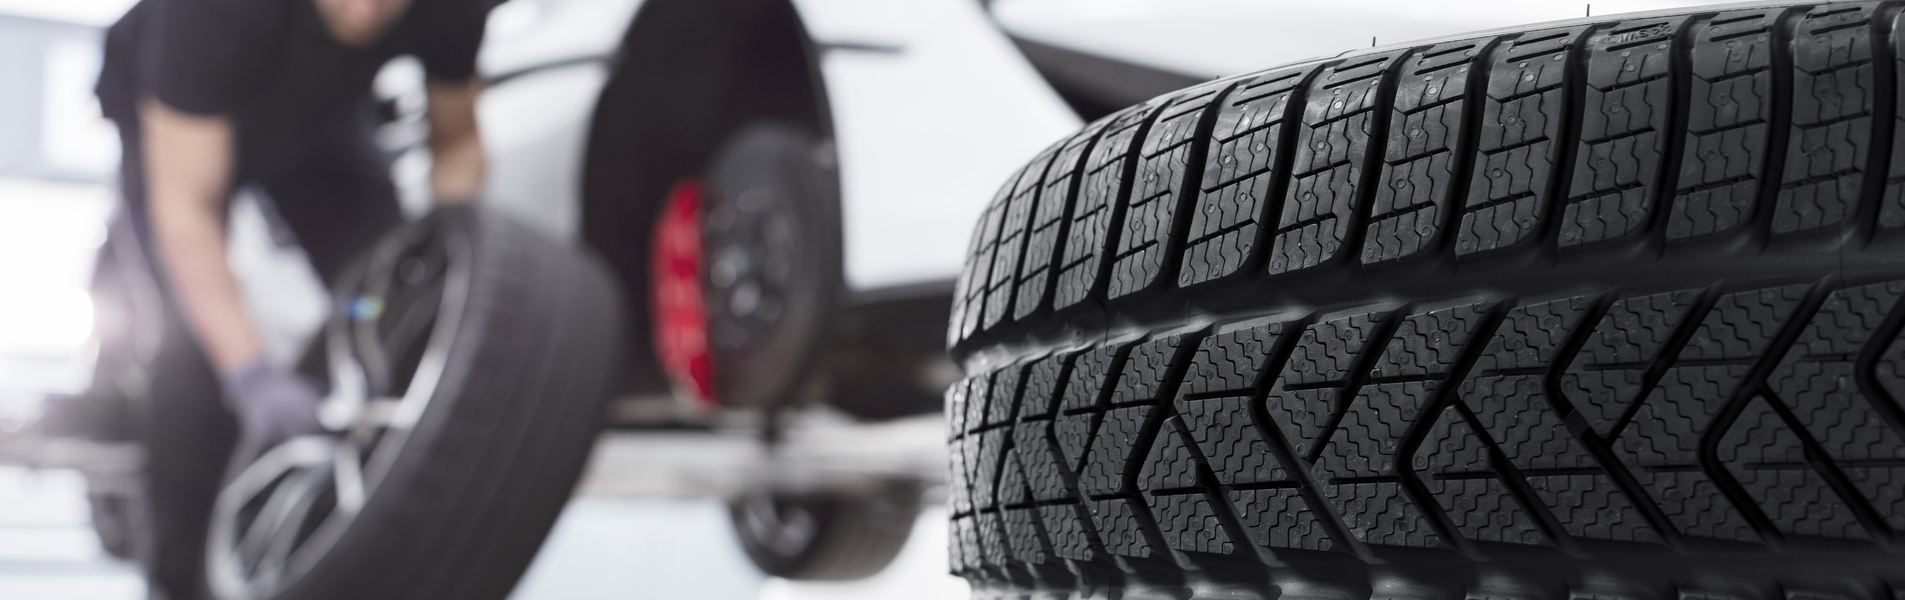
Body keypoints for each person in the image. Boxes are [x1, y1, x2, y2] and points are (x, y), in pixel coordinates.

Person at [90, 0, 493, 595]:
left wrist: (449, 257)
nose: (365, 13)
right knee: (188, 352)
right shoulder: (205, 15)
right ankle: (182, 579)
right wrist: (250, 374)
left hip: (317, 120)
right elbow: (187, 211)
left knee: (390, 288)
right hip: (179, 122)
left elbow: (457, 145)